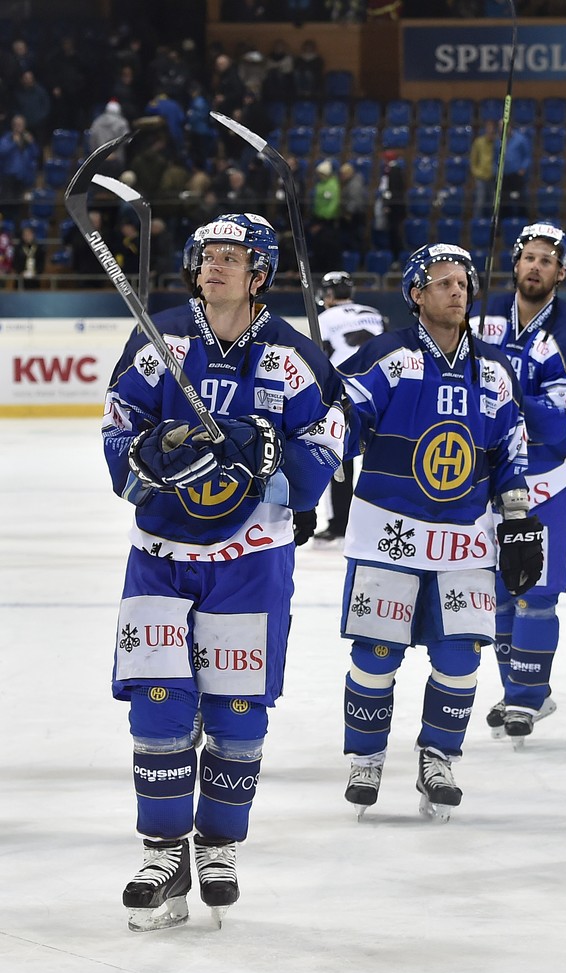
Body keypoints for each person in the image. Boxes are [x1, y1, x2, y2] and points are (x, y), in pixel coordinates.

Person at [101, 212, 346, 931]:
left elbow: (325, 439)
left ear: (260, 271)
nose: (214, 264)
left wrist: (273, 468)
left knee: (236, 715)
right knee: (158, 704)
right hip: (161, 555)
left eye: (231, 255)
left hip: (250, 563)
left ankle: (217, 846)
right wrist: (146, 459)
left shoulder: (292, 355)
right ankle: (162, 850)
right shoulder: (161, 339)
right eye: (207, 253)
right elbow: (119, 422)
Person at [333, 243, 544, 822]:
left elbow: (508, 454)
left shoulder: (495, 371)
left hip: (463, 539)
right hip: (388, 535)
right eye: (443, 283)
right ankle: (366, 758)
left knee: (459, 658)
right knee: (376, 655)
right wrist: (333, 418)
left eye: (464, 283)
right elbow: (348, 424)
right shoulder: (391, 357)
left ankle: (438, 756)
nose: (458, 291)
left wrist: (520, 520)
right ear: (416, 295)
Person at [469, 222, 566, 744]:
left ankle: (527, 695)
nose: (536, 267)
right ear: (516, 263)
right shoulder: (480, 315)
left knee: (535, 594)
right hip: (487, 479)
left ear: (560, 273)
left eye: (548, 260)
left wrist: (506, 396)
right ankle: (519, 692)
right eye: (530, 258)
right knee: (495, 594)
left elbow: (565, 421)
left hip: (544, 481)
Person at [313, 269, 387, 543]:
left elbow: (318, 358)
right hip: (383, 392)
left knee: (340, 458)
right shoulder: (375, 312)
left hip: (346, 395)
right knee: (381, 459)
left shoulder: (324, 318)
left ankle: (339, 523)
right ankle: (380, 519)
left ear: (329, 294)